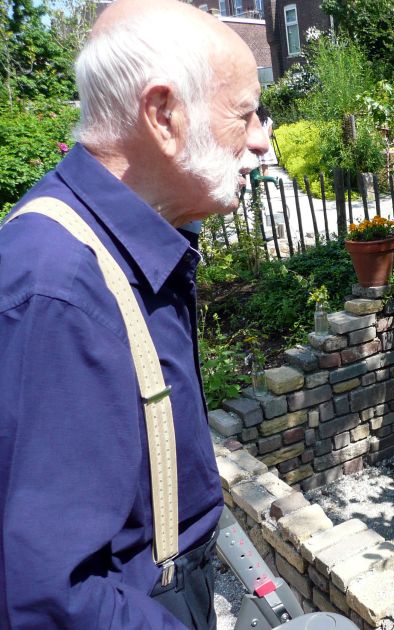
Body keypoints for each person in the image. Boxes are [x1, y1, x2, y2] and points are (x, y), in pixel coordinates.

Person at [0, 0, 268, 628]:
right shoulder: (58, 291)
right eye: (245, 113)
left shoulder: (127, 240)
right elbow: (52, 599)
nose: (262, 138)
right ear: (162, 115)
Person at [257, 104, 279, 176]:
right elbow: (270, 133)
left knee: (257, 168)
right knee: (265, 167)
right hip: (265, 144)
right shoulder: (268, 120)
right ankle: (265, 184)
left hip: (255, 143)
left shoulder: (254, 120)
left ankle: (260, 185)